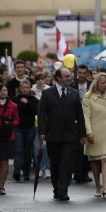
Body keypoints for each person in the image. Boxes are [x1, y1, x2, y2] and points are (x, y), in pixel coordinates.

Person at [38, 67, 86, 202]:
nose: (70, 78)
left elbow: (80, 115)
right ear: (58, 78)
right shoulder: (47, 93)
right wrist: (42, 132)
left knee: (66, 163)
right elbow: (42, 114)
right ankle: (57, 188)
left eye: (70, 76)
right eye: (67, 76)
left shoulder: (74, 93)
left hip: (70, 135)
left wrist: (83, 134)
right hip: (53, 134)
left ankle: (63, 189)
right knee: (55, 163)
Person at [82, 73, 106, 198]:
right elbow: (86, 116)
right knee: (95, 161)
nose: (105, 85)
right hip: (94, 132)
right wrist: (88, 132)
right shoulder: (88, 97)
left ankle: (105, 187)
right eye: (102, 83)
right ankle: (97, 186)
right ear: (96, 83)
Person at [12, 79, 39, 181]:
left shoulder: (33, 100)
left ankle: (26, 173)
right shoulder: (15, 99)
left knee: (28, 150)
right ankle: (17, 171)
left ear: (30, 88)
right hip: (18, 128)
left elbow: (37, 111)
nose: (25, 89)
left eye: (27, 87)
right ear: (20, 89)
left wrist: (27, 103)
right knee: (18, 150)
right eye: (23, 88)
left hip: (30, 128)